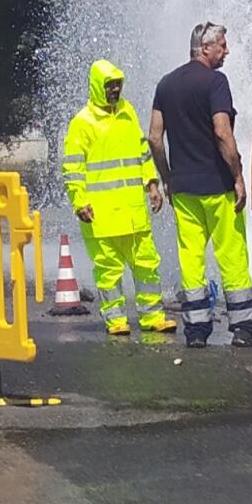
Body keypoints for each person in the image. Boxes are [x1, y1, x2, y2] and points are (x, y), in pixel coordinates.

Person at [148, 23, 252, 349]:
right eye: (222, 45)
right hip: (217, 186)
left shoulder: (166, 84)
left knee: (191, 258)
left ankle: (196, 330)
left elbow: (154, 138)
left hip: (184, 190)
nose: (227, 51)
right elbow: (222, 131)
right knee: (231, 254)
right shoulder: (216, 82)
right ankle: (244, 327)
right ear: (205, 48)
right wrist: (237, 175)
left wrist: (167, 178)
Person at [61, 59, 176, 337]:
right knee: (108, 270)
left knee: (147, 264)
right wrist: (79, 201)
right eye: (109, 85)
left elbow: (142, 152)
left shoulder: (127, 112)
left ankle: (152, 316)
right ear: (96, 86)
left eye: (117, 84)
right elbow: (73, 167)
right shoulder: (82, 123)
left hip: (134, 211)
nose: (114, 89)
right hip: (101, 215)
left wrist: (151, 184)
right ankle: (115, 319)